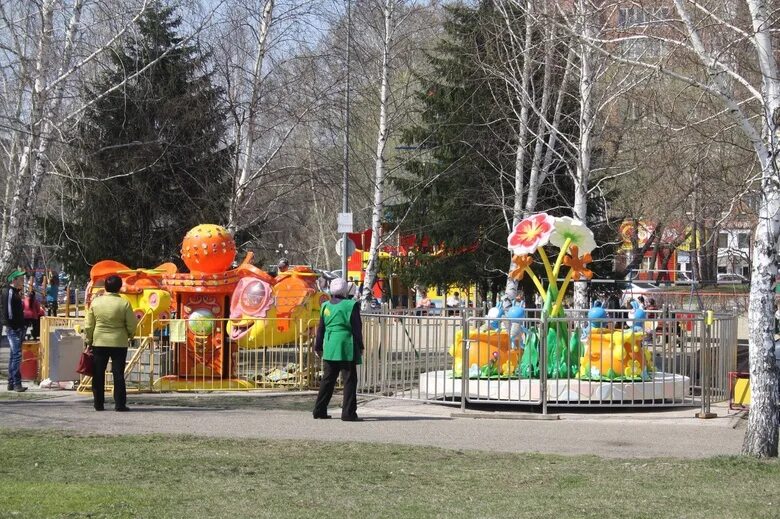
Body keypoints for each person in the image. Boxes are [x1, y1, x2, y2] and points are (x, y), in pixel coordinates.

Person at [313, 278, 364, 421]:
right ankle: (348, 413)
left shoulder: (325, 306)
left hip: (330, 345)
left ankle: (319, 410)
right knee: (349, 380)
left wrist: (318, 346)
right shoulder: (351, 305)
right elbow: (356, 328)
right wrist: (360, 346)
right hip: (346, 345)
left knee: (328, 380)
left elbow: (321, 329)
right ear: (344, 290)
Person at [84, 275, 137, 411]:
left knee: (98, 373)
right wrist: (130, 335)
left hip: (99, 341)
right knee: (118, 374)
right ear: (119, 287)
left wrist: (88, 340)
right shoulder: (124, 303)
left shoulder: (96, 302)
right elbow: (131, 323)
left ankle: (98, 403)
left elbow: (89, 324)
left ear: (105, 287)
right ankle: (120, 404)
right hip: (119, 342)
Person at [1, 270, 28, 392]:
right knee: (17, 355)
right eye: (20, 279)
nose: (22, 281)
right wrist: (14, 326)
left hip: (18, 327)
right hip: (13, 328)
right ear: (14, 280)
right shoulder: (9, 292)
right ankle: (17, 383)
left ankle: (11, 382)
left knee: (13, 355)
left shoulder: (16, 292)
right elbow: (9, 312)